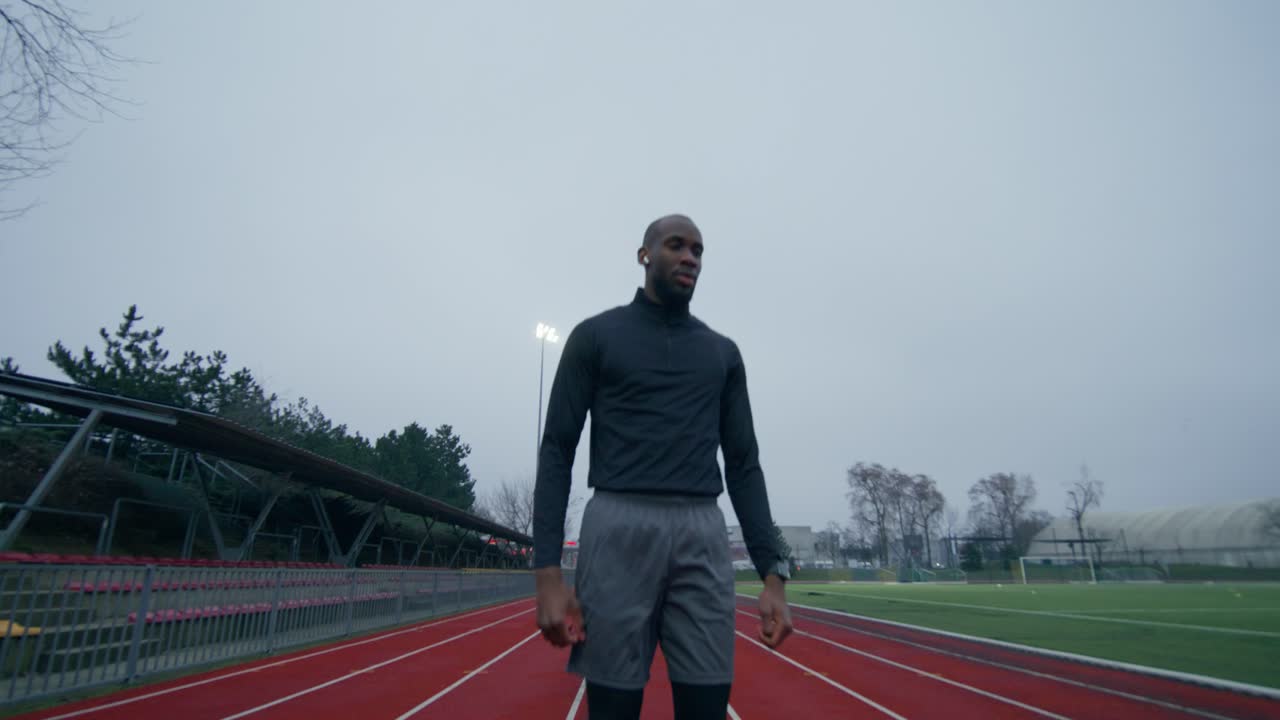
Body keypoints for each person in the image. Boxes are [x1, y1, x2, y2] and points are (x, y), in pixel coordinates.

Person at [532, 213, 793, 720]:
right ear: (644, 255)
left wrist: (772, 575)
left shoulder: (722, 354)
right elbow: (558, 448)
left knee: (706, 703)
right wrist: (546, 574)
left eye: (698, 250)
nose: (690, 257)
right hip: (618, 525)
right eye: (677, 245)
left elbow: (743, 464)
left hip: (702, 530)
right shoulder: (594, 337)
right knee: (612, 706)